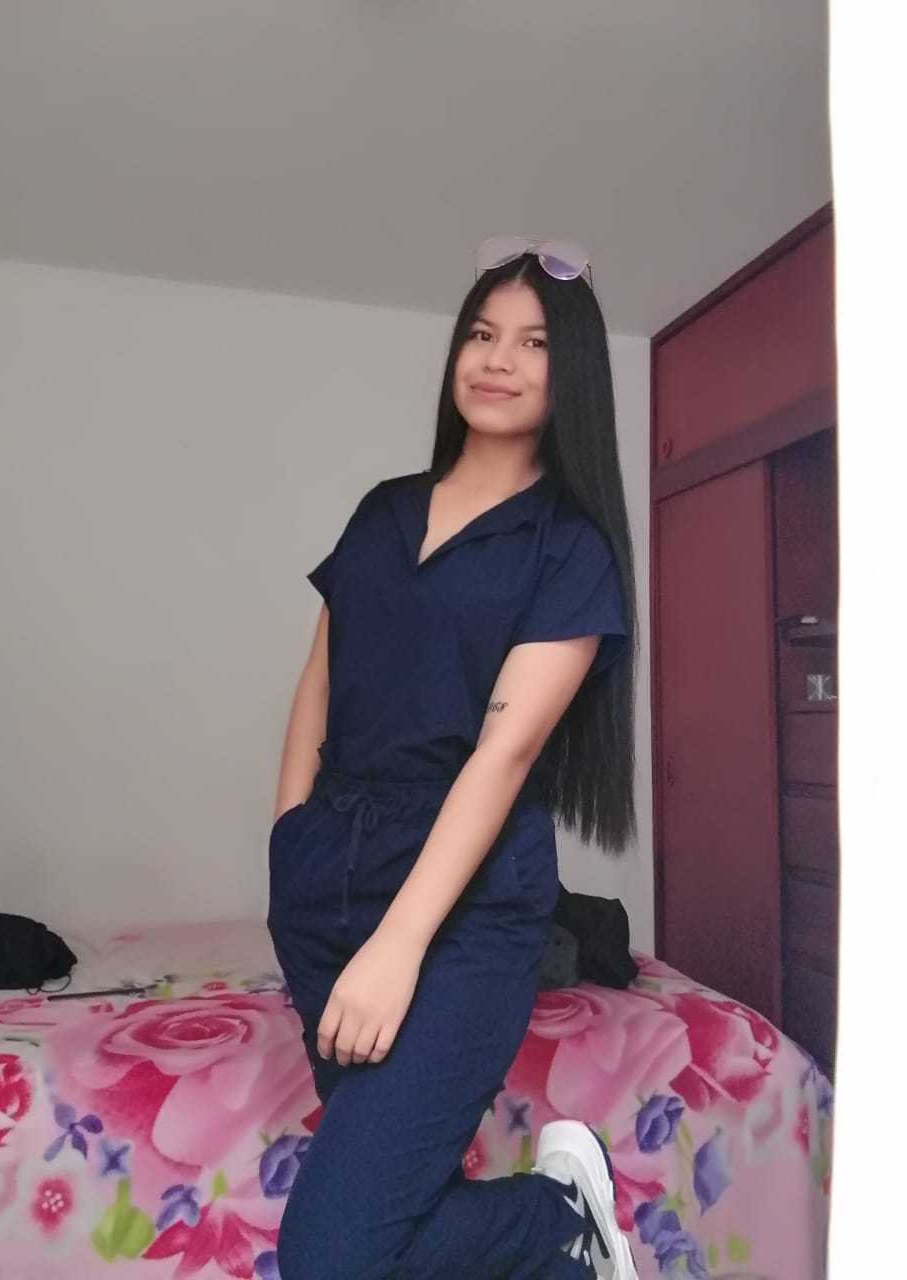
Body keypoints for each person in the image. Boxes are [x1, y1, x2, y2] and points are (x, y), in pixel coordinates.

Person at [267, 237, 639, 1279]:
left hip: (467, 907)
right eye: (481, 333)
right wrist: (288, 841)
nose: (497, 359)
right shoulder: (383, 509)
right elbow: (318, 680)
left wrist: (398, 944)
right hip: (327, 877)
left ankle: (560, 1213)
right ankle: (565, 1263)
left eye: (532, 342)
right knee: (393, 1216)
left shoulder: (569, 549)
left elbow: (502, 757)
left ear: (571, 375)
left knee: (332, 1255)